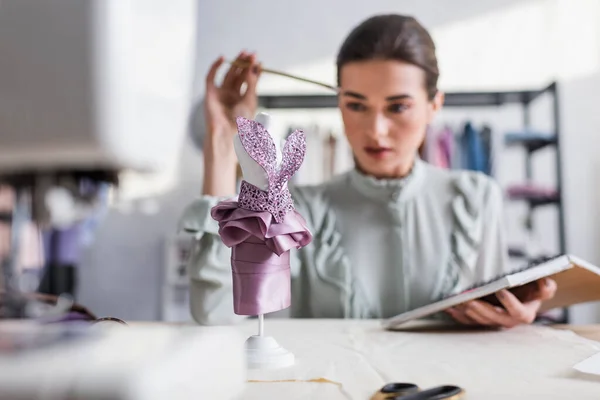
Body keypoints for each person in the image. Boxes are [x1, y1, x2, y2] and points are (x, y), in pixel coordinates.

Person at [180, 14, 557, 328]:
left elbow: (490, 324)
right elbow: (213, 316)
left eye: (397, 107)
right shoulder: (300, 211)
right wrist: (223, 141)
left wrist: (514, 319)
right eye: (356, 105)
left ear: (433, 105)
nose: (375, 131)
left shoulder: (476, 198)